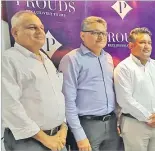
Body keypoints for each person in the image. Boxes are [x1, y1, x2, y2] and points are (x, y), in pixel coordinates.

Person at [2, 10, 67, 151]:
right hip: (29, 141)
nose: (39, 31)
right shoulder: (8, 60)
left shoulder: (46, 61)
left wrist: (63, 127)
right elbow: (9, 105)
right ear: (15, 32)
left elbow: (57, 96)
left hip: (57, 138)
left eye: (42, 28)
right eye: (32, 27)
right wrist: (46, 140)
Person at [59, 16, 119, 151]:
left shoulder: (108, 58)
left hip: (111, 124)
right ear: (82, 35)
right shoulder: (71, 59)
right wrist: (79, 135)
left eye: (103, 33)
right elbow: (68, 100)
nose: (101, 36)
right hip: (86, 126)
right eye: (95, 32)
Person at [114, 27, 155, 151]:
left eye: (149, 43)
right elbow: (124, 99)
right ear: (131, 45)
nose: (147, 46)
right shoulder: (124, 68)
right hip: (135, 125)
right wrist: (148, 117)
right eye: (142, 42)